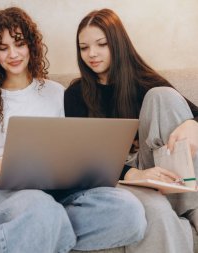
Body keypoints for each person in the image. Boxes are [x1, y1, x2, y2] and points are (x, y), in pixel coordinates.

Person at [0, 7, 146, 253]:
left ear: (31, 46)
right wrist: (1, 165)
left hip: (58, 190)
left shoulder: (56, 92)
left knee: (129, 212)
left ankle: (26, 232)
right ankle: (38, 225)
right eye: (3, 48)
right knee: (43, 210)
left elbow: (72, 145)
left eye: (19, 44)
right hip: (3, 190)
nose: (13, 54)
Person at [64, 8, 198, 253]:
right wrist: (131, 173)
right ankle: (186, 206)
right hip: (117, 178)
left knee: (163, 96)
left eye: (101, 44)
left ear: (117, 43)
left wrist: (193, 124)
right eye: (84, 48)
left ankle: (186, 199)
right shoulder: (75, 94)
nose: (91, 54)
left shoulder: (144, 81)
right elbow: (83, 159)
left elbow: (186, 114)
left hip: (168, 171)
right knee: (157, 212)